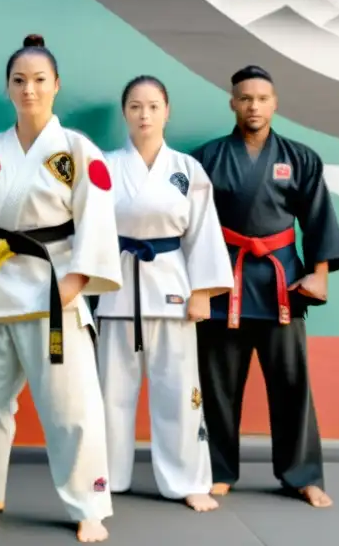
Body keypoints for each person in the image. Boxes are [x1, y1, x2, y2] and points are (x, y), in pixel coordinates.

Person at [0, 34, 122, 544]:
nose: (29, 90)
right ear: (7, 88)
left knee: (71, 408)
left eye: (39, 80)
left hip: (52, 291)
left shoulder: (78, 150)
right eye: (20, 81)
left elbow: (97, 220)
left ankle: (89, 505)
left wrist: (75, 283)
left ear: (56, 85)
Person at [191, 65, 339, 508]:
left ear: (274, 103)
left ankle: (302, 474)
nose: (253, 106)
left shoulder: (300, 158)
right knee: (217, 385)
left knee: (292, 384)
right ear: (232, 103)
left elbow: (317, 218)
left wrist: (319, 274)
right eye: (245, 98)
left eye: (261, 98)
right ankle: (218, 470)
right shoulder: (206, 158)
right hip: (225, 284)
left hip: (281, 285)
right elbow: (195, 228)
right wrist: (198, 287)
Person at [96, 75, 234, 512]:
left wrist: (203, 293)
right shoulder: (105, 165)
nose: (144, 115)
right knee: (110, 392)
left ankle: (186, 480)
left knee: (179, 390)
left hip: (172, 288)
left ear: (167, 111)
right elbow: (91, 230)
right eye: (136, 106)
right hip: (116, 286)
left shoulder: (186, 170)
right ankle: (107, 476)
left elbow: (204, 235)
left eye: (153, 106)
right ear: (125, 112)